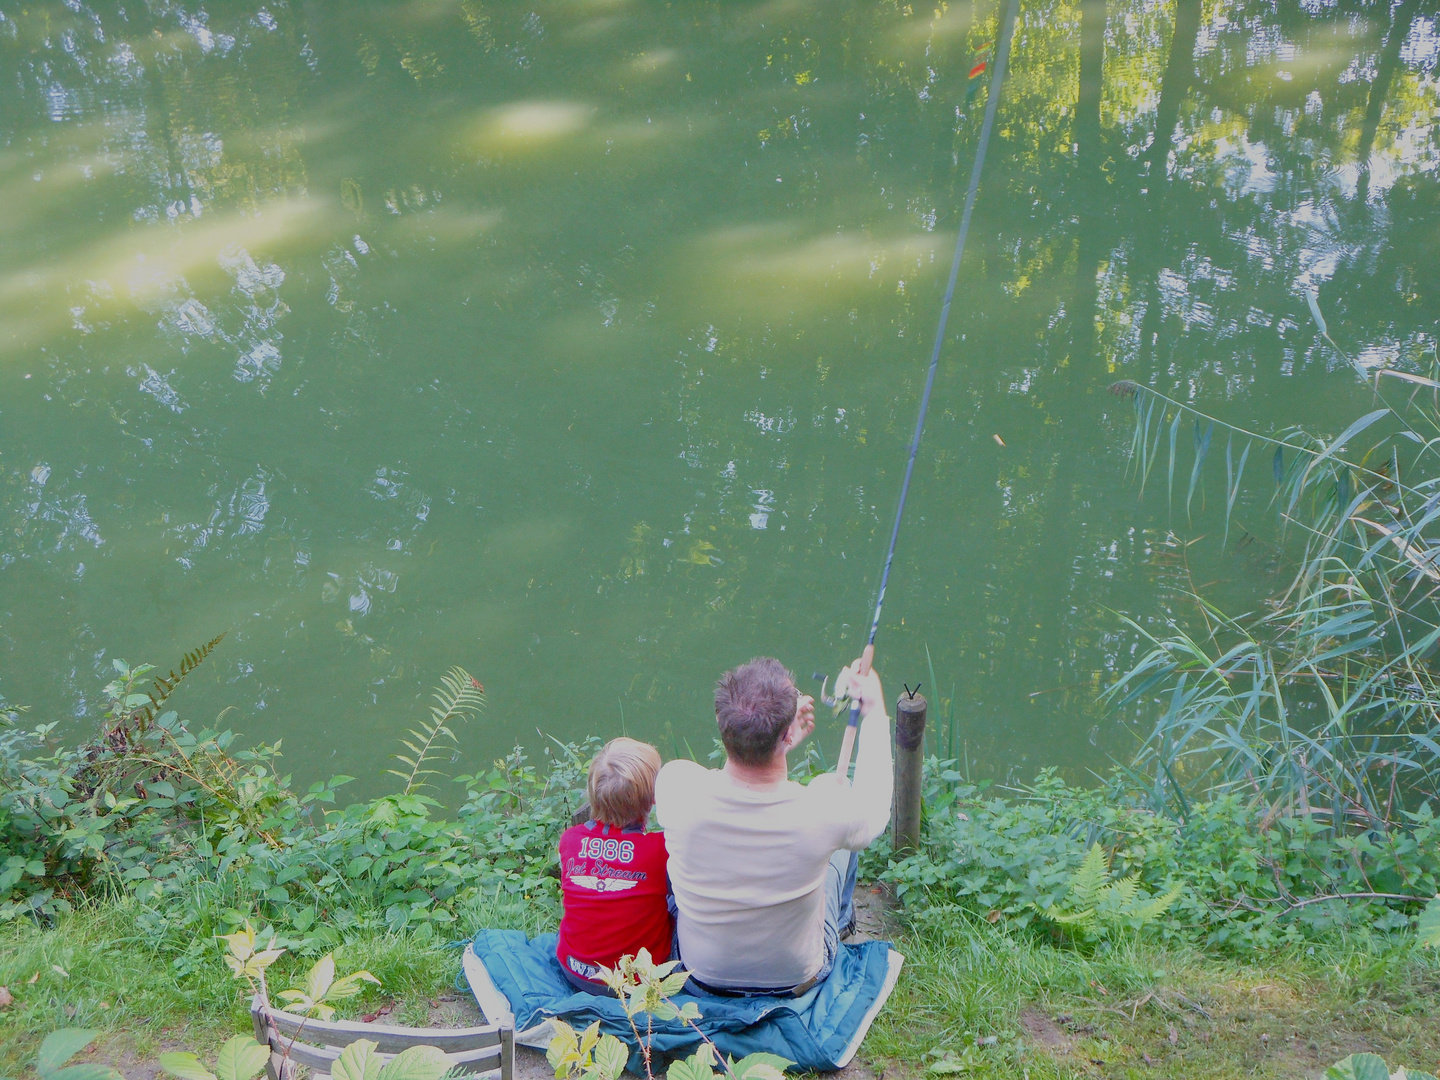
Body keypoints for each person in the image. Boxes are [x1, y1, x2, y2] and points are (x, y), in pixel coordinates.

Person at [655, 653, 892, 995]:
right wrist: (873, 710)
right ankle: (839, 926)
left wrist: (776, 741)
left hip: (700, 973)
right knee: (842, 834)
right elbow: (874, 813)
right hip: (793, 977)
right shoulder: (825, 810)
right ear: (785, 735)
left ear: (722, 722)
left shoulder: (677, 786)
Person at [556, 737, 672, 992]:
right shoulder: (661, 848)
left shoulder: (570, 840)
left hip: (575, 970)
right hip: (634, 982)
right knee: (678, 902)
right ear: (653, 798)